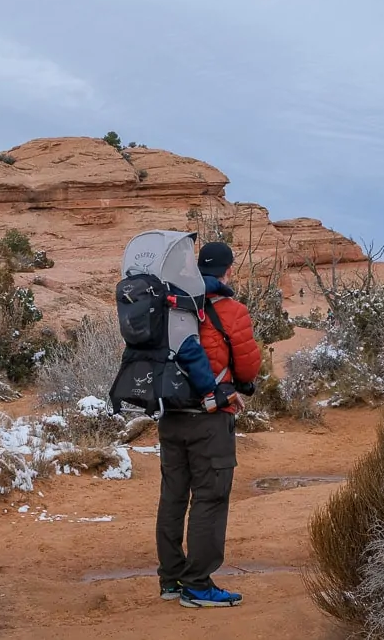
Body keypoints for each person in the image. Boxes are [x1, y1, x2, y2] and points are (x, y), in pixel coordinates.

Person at [156, 241, 262, 608]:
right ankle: (198, 584)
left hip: (170, 416)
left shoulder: (172, 307)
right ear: (227, 270)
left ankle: (171, 579)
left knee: (172, 497)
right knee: (210, 498)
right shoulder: (231, 310)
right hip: (211, 418)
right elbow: (248, 367)